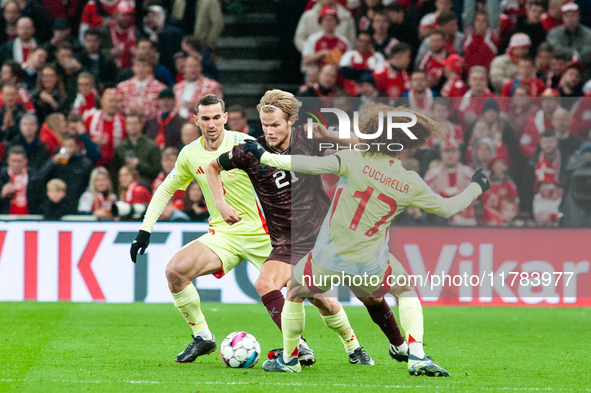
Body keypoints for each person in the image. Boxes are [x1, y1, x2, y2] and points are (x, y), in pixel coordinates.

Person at [245, 105, 490, 375]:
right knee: (406, 292)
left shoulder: (353, 159)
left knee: (294, 293)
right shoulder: (410, 182)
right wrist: (477, 186)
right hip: (370, 262)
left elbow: (309, 164)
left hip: (327, 255)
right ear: (404, 147)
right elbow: (448, 209)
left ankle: (291, 361)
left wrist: (266, 157)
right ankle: (416, 355)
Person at [207, 90, 378, 368]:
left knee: (321, 300)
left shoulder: (307, 138)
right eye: (265, 125)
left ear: (291, 122)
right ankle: (300, 347)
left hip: (317, 235)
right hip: (285, 241)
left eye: (275, 124)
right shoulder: (251, 152)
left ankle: (354, 348)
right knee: (268, 284)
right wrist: (220, 203)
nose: (269, 130)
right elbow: (212, 167)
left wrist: (332, 136)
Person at [128, 94, 299, 365]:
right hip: (224, 235)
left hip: (263, 233)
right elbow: (166, 189)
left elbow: (282, 176)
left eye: (216, 117)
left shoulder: (245, 144)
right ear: (196, 120)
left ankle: (344, 347)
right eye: (205, 118)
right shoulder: (189, 153)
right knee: (175, 271)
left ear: (225, 118)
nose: (211, 124)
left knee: (309, 289)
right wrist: (145, 230)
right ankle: (203, 337)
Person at [34, 133, 94, 215]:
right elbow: (39, 178)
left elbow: (90, 185)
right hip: (57, 207)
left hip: (77, 208)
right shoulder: (55, 163)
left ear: (77, 147)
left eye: (70, 146)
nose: (68, 149)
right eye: (65, 146)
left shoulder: (85, 164)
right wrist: (52, 162)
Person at [110, 112, 161, 192]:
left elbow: (157, 171)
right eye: (129, 124)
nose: (132, 126)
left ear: (141, 125)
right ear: (126, 126)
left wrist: (139, 165)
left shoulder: (151, 146)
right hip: (123, 188)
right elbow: (114, 173)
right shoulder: (120, 147)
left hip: (145, 186)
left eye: (135, 123)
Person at [84, 89, 126, 169]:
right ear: (102, 102)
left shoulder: (123, 122)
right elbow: (82, 141)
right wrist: (92, 142)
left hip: (115, 165)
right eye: (111, 101)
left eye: (116, 101)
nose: (114, 104)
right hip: (94, 163)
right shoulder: (90, 119)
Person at [116, 54, 166, 118]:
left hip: (152, 125)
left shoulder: (160, 88)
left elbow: (162, 111)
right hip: (129, 125)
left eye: (144, 66)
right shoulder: (122, 88)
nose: (141, 69)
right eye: (138, 66)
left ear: (149, 68)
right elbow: (119, 111)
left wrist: (145, 111)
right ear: (133, 68)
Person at [173, 55, 223, 120]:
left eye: (195, 66)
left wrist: (196, 107)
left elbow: (217, 109)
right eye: (190, 66)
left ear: (201, 68)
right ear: (184, 69)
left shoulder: (212, 86)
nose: (193, 69)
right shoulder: (177, 87)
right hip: (178, 124)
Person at [547, 3, 591, 71]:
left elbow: (588, 50)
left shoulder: (588, 33)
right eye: (567, 16)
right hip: (559, 67)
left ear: (578, 16)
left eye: (573, 16)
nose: (571, 19)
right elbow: (555, 48)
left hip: (584, 67)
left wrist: (575, 56)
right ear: (563, 18)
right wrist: (575, 54)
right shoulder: (554, 32)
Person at [0, 145, 34, 214]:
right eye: (14, 161)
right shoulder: (2, 176)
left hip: (30, 217)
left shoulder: (33, 176)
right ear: (8, 161)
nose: (16, 164)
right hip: (6, 218)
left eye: (19, 161)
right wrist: (2, 194)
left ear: (25, 161)